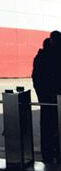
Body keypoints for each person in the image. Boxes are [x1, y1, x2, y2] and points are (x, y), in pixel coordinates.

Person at [34, 35, 59, 163]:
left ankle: (47, 154)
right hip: (54, 99)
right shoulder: (54, 57)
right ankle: (57, 153)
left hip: (46, 100)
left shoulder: (41, 57)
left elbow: (36, 79)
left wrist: (42, 97)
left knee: (47, 127)